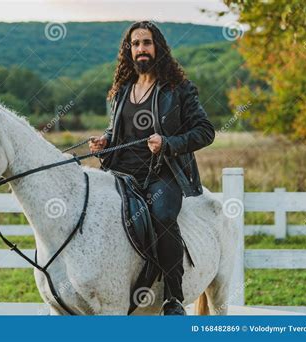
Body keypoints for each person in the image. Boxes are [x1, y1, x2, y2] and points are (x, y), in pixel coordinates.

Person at [88, 21, 215, 315]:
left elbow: (205, 131)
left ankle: (173, 297)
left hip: (164, 175)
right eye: (135, 44)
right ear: (128, 50)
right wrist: (105, 142)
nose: (141, 49)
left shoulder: (178, 89)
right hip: (121, 176)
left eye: (146, 43)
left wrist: (169, 142)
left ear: (157, 46)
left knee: (161, 215)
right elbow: (117, 132)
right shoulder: (122, 91)